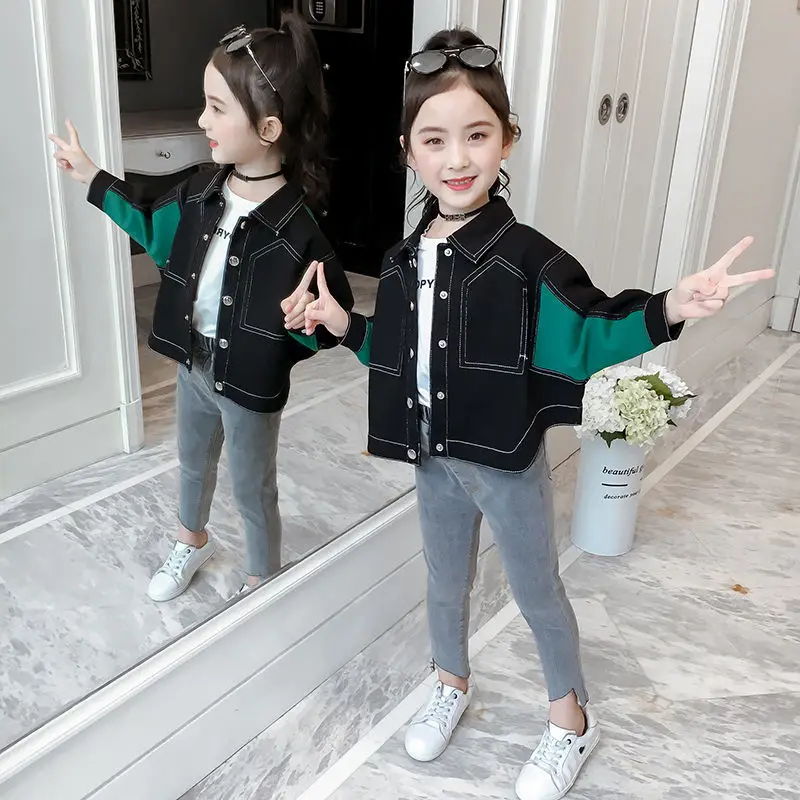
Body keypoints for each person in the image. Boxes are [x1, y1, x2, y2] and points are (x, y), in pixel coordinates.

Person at [285, 27, 775, 800]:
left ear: (507, 138)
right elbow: (398, 354)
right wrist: (344, 326)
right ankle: (449, 682)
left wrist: (672, 307)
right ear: (407, 151)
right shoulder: (402, 261)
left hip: (504, 462)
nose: (457, 158)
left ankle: (570, 720)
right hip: (434, 458)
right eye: (435, 139)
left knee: (535, 588)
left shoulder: (528, 260)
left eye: (477, 135)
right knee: (444, 581)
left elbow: (592, 329)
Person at [49, 13, 353, 602]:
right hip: (194, 365)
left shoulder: (297, 230)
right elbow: (147, 218)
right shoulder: (199, 192)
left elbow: (332, 315)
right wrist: (90, 175)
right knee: (191, 463)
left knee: (252, 484)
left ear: (267, 128)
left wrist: (308, 319)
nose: (201, 120)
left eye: (216, 108)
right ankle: (191, 540)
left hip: (251, 383)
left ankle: (262, 576)